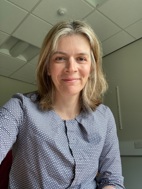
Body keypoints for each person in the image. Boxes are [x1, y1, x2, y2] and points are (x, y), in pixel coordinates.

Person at [0, 20, 125, 189]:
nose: (71, 68)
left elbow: (112, 179)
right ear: (47, 67)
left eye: (81, 58)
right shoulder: (20, 108)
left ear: (91, 68)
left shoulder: (105, 116)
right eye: (60, 58)